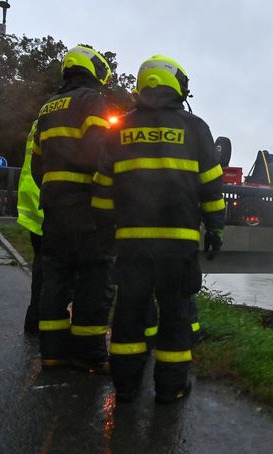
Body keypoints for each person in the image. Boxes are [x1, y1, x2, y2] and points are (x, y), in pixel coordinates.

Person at [92, 55, 225, 403]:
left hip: (132, 247)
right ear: (177, 85)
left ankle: (125, 386)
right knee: (176, 316)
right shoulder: (195, 128)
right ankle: (171, 388)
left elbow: (103, 189)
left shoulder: (118, 129)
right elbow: (211, 188)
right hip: (177, 248)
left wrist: (106, 233)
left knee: (129, 314)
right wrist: (215, 229)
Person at [31, 45, 115, 372]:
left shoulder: (48, 107)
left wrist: (54, 189)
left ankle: (51, 353)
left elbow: (37, 162)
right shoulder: (90, 100)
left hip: (54, 207)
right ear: (93, 70)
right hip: (86, 207)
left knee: (56, 279)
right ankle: (90, 353)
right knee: (95, 276)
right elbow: (100, 153)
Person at [16, 120, 43, 334]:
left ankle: (34, 318)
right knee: (55, 271)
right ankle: (46, 322)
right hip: (47, 203)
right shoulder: (63, 118)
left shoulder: (40, 120)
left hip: (33, 200)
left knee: (42, 266)